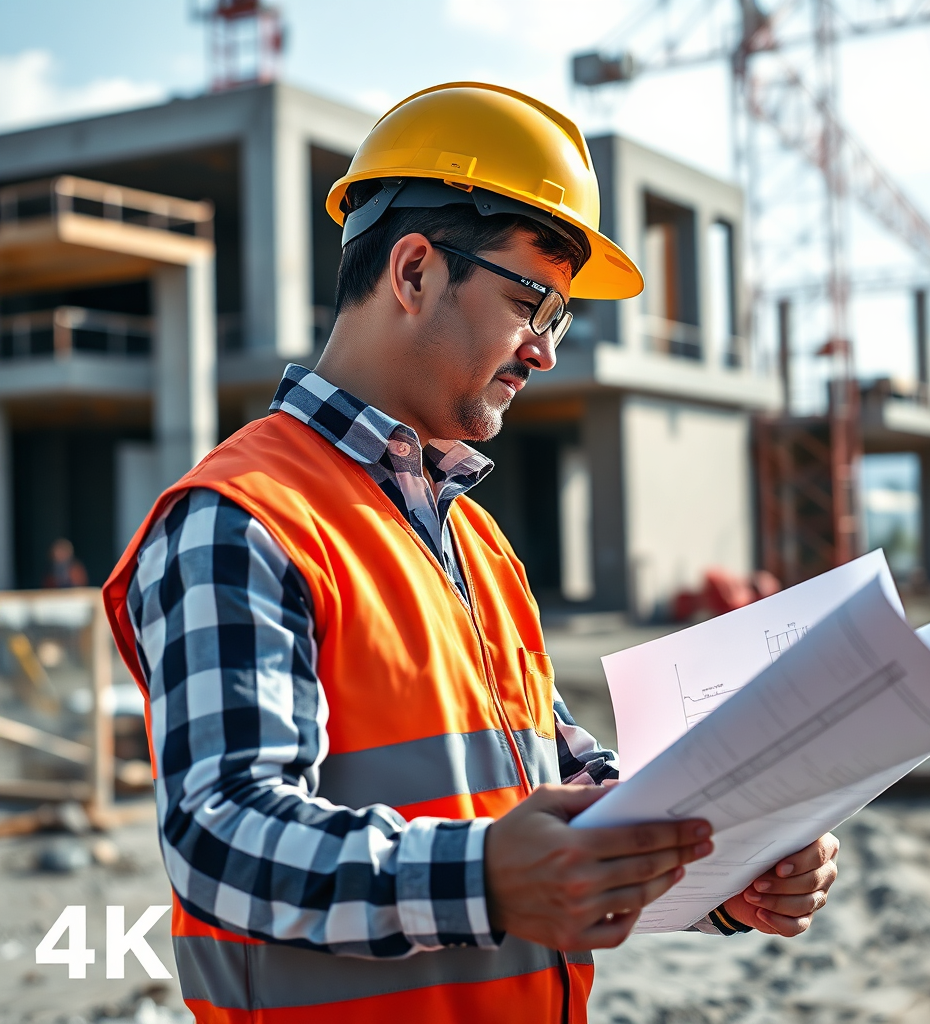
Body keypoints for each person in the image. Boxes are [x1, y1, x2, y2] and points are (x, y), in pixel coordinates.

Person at [104, 83, 839, 1023]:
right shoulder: (240, 518)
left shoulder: (474, 540)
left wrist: (725, 854)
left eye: (559, 318)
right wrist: (486, 876)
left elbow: (560, 777)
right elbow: (222, 841)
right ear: (413, 272)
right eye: (532, 301)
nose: (545, 351)